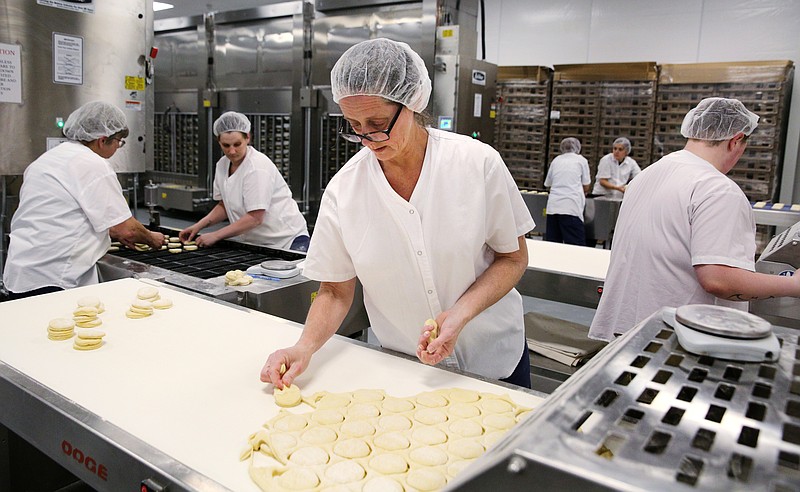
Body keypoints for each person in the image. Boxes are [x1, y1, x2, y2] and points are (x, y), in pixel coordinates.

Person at [260, 38, 534, 388]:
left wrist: (460, 314)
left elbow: (512, 258)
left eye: (377, 122)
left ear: (413, 102)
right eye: (355, 126)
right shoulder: (345, 191)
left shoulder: (476, 163)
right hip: (409, 369)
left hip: (493, 355)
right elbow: (334, 291)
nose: (369, 138)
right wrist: (304, 347)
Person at [589, 97, 800, 341]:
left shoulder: (648, 175)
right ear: (736, 141)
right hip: (678, 339)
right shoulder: (717, 189)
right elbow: (719, 280)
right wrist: (792, 284)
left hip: (630, 332)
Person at [2, 101, 164, 300]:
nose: (117, 148)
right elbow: (127, 229)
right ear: (102, 140)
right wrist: (151, 238)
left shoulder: (46, 160)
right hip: (55, 277)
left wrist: (112, 230)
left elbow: (67, 213)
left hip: (22, 272)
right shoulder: (93, 164)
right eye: (118, 142)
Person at [179, 111, 309, 251]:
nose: (232, 151)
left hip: (286, 241)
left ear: (248, 137)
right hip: (257, 242)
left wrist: (216, 235)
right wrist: (198, 226)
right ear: (219, 142)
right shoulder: (222, 165)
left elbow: (255, 218)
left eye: (237, 144)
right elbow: (224, 205)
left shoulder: (257, 167)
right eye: (226, 146)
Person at [543, 137, 591, 246]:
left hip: (553, 208)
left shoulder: (556, 160)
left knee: (553, 246)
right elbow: (586, 185)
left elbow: (548, 184)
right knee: (575, 246)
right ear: (578, 148)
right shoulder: (581, 160)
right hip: (571, 208)